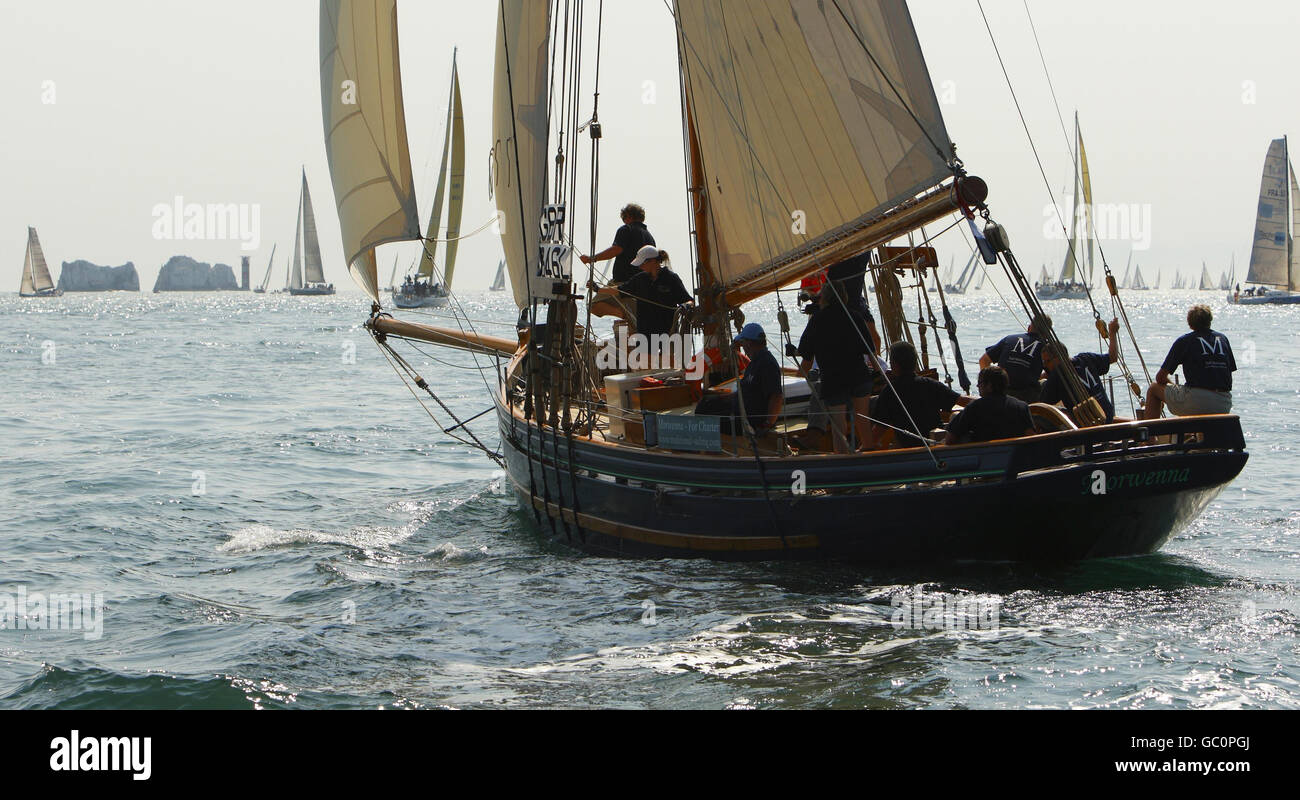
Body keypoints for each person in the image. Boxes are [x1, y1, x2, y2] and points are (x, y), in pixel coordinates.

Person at [796, 281, 874, 452]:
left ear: (824, 297)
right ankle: (868, 451)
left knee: (839, 426)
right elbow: (870, 350)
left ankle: (844, 459)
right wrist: (878, 373)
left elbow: (806, 358)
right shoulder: (854, 316)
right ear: (844, 296)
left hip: (834, 380)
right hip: (858, 376)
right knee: (862, 418)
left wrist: (799, 374)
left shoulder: (817, 320)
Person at [1142, 304, 1235, 418]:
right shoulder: (1223, 339)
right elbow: (1228, 375)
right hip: (1223, 402)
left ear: (1190, 324)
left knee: (1153, 388)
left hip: (1196, 401)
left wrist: (1174, 386)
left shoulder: (1184, 341)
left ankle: (1151, 435)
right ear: (1210, 321)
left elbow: (1160, 378)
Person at [874, 340, 971, 448]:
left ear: (894, 365)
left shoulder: (889, 392)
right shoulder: (931, 384)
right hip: (935, 445)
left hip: (909, 451)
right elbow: (963, 401)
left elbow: (878, 431)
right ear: (915, 362)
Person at [594, 246, 692, 337]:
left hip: (667, 331)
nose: (640, 267)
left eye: (642, 263)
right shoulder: (640, 279)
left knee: (666, 356)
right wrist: (598, 289)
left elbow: (689, 300)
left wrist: (686, 306)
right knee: (645, 355)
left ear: (653, 261)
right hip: (645, 332)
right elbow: (619, 290)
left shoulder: (671, 279)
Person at [1039, 318, 1121, 425]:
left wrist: (1044, 381)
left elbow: (1044, 404)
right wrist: (1113, 333)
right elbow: (1113, 357)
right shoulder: (1086, 358)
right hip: (1108, 415)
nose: (1045, 366)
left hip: (1087, 423)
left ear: (1058, 357)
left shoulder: (1058, 375)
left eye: (1047, 361)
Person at [945, 366, 1034, 444]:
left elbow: (950, 439)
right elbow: (1030, 436)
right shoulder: (1022, 406)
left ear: (989, 385)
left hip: (984, 457)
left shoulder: (974, 407)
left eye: (980, 382)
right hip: (1015, 458)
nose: (977, 386)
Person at [726, 323, 783, 434]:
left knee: (706, 412)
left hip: (750, 421)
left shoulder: (767, 363)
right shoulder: (755, 362)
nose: (743, 348)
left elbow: (776, 397)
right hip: (740, 413)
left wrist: (767, 424)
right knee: (707, 404)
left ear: (749, 343)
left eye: (743, 344)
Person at [979, 314, 1049, 403]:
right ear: (1047, 334)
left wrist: (987, 385)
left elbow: (983, 360)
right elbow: (1053, 372)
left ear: (1029, 328)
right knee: (1044, 383)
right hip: (1027, 396)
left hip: (1001, 392)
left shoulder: (1009, 338)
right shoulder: (1047, 348)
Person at [579, 203, 655, 284]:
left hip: (626, 282)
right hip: (644, 284)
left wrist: (591, 259)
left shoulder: (626, 229)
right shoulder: (650, 237)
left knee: (601, 296)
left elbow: (616, 250)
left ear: (629, 216)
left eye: (624, 217)